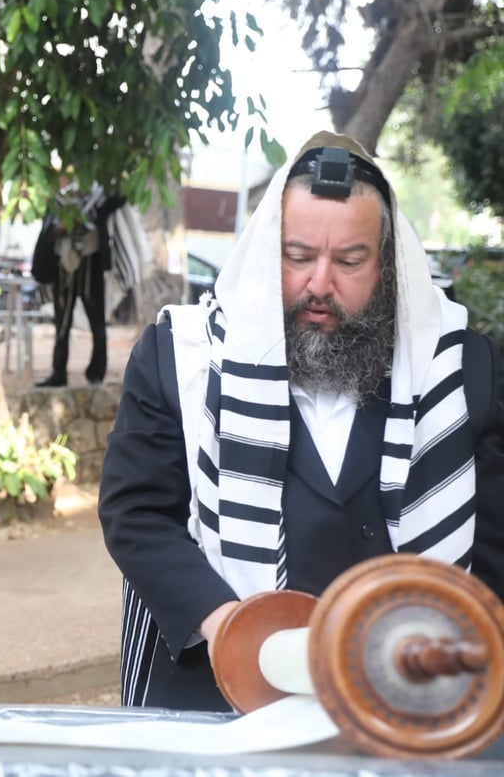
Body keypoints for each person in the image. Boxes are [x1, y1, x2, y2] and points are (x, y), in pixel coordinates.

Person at [98, 131, 504, 712]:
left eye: (349, 261)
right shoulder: (181, 353)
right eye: (298, 257)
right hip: (212, 686)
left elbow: (491, 551)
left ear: (386, 266)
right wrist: (237, 629)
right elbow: (134, 514)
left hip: (401, 697)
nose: (319, 284)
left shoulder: (459, 370)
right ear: (270, 253)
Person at [31, 184, 127, 387]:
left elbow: (120, 199)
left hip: (91, 264)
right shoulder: (59, 200)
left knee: (97, 323)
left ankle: (96, 374)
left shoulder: (99, 198)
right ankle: (58, 373)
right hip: (64, 266)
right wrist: (63, 228)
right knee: (62, 323)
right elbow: (49, 231)